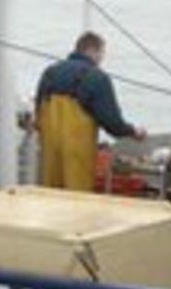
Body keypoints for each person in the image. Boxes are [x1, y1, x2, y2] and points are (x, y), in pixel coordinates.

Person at [34, 31, 146, 191]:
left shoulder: (49, 73)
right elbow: (112, 123)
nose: (101, 59)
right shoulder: (97, 78)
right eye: (101, 53)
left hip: (50, 158)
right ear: (92, 51)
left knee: (51, 200)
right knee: (77, 204)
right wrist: (133, 131)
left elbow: (38, 115)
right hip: (77, 159)